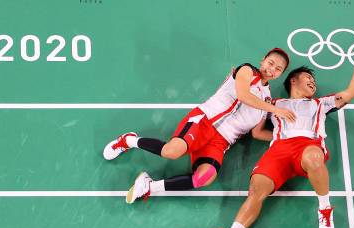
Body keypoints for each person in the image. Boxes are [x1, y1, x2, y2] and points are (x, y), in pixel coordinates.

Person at [204, 49, 354, 228]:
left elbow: (349, 93)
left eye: (313, 80)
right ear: (293, 80)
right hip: (279, 150)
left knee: (314, 157)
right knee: (256, 189)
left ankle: (325, 208)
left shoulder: (320, 103)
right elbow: (257, 133)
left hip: (308, 146)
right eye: (308, 77)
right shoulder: (273, 104)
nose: (313, 82)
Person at [102, 48, 295, 203]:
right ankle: (128, 140)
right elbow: (244, 95)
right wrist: (276, 110)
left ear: (280, 74)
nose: (272, 69)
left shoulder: (267, 98)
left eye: (278, 69)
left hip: (221, 141)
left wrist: (288, 136)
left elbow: (257, 132)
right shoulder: (247, 70)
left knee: (205, 177)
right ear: (263, 60)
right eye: (271, 63)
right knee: (171, 151)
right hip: (204, 120)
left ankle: (149, 187)